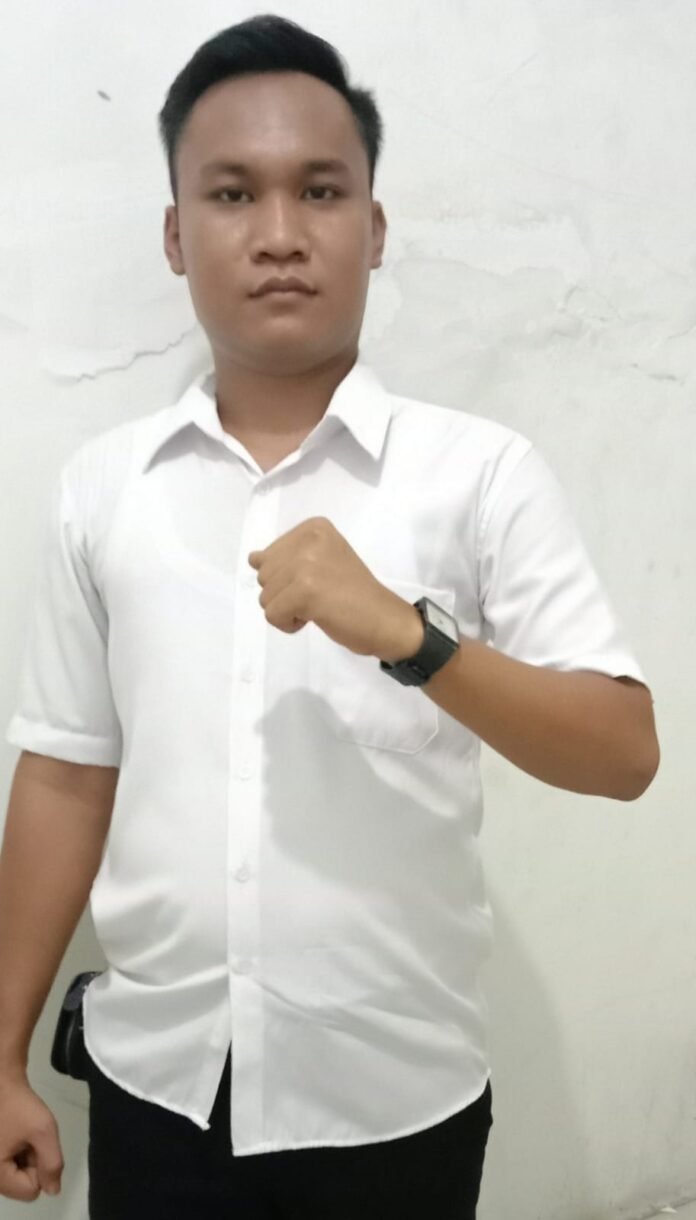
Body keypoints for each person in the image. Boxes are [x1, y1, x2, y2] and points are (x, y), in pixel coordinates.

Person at [0, 12, 659, 1219]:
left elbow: (623, 751)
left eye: (320, 190)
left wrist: (413, 636)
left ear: (375, 225)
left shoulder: (480, 472)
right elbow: (65, 775)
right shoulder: (104, 489)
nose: (280, 234)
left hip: (396, 1104)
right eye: (231, 194)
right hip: (156, 1091)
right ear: (175, 234)